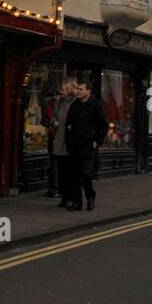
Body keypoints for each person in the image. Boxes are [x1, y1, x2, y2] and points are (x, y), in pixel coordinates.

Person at [65, 81, 108, 211]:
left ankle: (90, 197)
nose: (78, 91)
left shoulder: (96, 105)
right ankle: (77, 202)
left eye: (81, 89)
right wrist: (70, 137)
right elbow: (68, 122)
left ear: (88, 91)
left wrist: (97, 141)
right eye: (77, 89)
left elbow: (103, 124)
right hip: (75, 145)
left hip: (88, 145)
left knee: (86, 174)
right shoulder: (75, 104)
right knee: (74, 175)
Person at [50, 78, 79, 209]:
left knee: (70, 172)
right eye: (60, 89)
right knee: (61, 172)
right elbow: (53, 117)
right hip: (59, 139)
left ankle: (71, 198)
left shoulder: (76, 102)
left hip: (71, 142)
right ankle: (64, 197)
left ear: (70, 89)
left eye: (63, 89)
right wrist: (53, 122)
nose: (60, 91)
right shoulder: (59, 102)